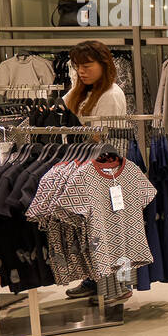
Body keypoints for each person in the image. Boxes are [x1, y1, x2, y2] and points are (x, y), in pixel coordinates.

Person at [64, 40, 131, 301]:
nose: (81, 71)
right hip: (85, 166)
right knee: (92, 229)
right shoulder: (81, 92)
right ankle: (94, 279)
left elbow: (102, 139)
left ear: (104, 65)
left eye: (87, 65)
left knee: (111, 229)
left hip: (107, 169)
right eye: (78, 66)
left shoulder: (111, 95)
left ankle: (120, 286)